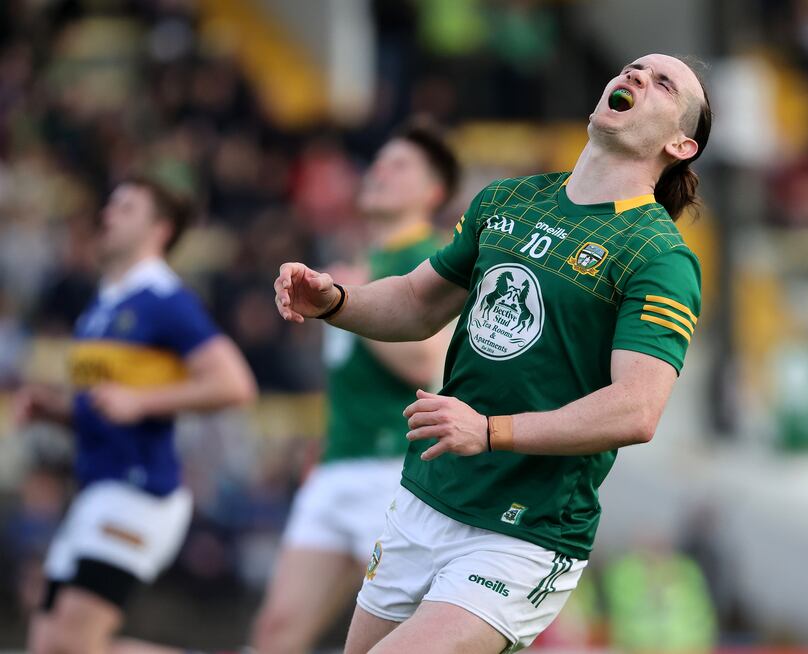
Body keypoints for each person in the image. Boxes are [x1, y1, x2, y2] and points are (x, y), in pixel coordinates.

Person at [274, 53, 712, 654]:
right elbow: (416, 302)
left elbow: (636, 411)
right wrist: (336, 301)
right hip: (427, 495)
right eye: (633, 69)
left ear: (681, 146)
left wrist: (489, 430)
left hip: (525, 532)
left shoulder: (660, 255)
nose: (637, 77)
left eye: (664, 84)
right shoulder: (507, 200)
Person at [15, 175, 257, 654]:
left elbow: (234, 384)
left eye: (125, 208)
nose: (108, 215)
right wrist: (58, 412)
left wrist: (142, 401)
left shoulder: (166, 300)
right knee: (49, 644)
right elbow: (108, 408)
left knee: (72, 643)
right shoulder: (103, 305)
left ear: (160, 229)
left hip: (138, 491)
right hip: (94, 492)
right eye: (110, 205)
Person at [252, 124, 458, 654]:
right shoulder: (358, 260)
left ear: (432, 193)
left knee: (394, 641)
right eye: (380, 162)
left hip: (394, 471)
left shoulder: (434, 258)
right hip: (339, 463)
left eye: (400, 166)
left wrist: (346, 306)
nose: (380, 172)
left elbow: (422, 362)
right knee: (276, 633)